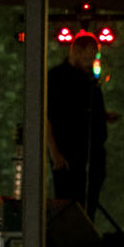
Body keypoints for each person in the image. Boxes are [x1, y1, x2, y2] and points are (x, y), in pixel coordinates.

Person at [46, 32, 116, 219]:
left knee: (89, 199)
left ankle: (87, 230)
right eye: (88, 56)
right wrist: (55, 152)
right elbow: (48, 117)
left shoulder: (90, 80)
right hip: (68, 153)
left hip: (92, 151)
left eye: (94, 57)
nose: (91, 61)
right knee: (68, 202)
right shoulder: (56, 77)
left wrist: (104, 116)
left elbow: (89, 109)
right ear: (76, 51)